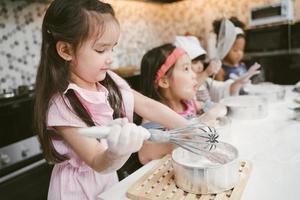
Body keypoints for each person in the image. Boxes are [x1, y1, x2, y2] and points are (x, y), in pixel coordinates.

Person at [34, 1, 188, 199]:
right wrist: (117, 152)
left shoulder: (108, 80)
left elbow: (147, 105)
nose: (110, 58)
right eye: (101, 50)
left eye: (112, 48)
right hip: (76, 190)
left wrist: (189, 127)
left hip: (107, 180)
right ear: (66, 50)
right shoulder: (62, 104)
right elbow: (98, 161)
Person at [137, 43, 226, 164]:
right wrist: (191, 135)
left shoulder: (190, 104)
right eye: (186, 69)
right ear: (164, 81)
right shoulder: (153, 117)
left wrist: (208, 116)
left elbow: (219, 108)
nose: (194, 75)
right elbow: (144, 154)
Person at [174, 35, 261, 102]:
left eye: (201, 62)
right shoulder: (179, 90)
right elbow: (189, 92)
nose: (200, 66)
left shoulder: (206, 82)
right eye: (194, 62)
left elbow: (223, 90)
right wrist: (206, 72)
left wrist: (240, 81)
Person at [213, 17, 260, 82]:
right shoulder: (220, 70)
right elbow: (218, 90)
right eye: (235, 50)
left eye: (242, 50)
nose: (239, 53)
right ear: (223, 48)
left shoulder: (242, 66)